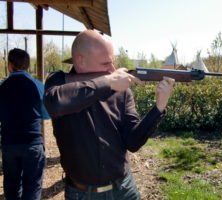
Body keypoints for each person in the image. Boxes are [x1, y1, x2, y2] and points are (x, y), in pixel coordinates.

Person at [43, 30, 175, 200]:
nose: (112, 69)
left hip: (124, 189)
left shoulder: (121, 91)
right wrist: (107, 82)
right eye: (105, 63)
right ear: (80, 61)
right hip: (82, 194)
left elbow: (133, 142)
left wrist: (159, 107)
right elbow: (55, 104)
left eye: (112, 62)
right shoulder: (59, 81)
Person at [0, 48, 50, 200]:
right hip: (32, 143)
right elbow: (46, 114)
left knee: (11, 185)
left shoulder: (2, 86)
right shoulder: (38, 86)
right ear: (28, 65)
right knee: (32, 186)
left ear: (9, 65)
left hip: (9, 144)